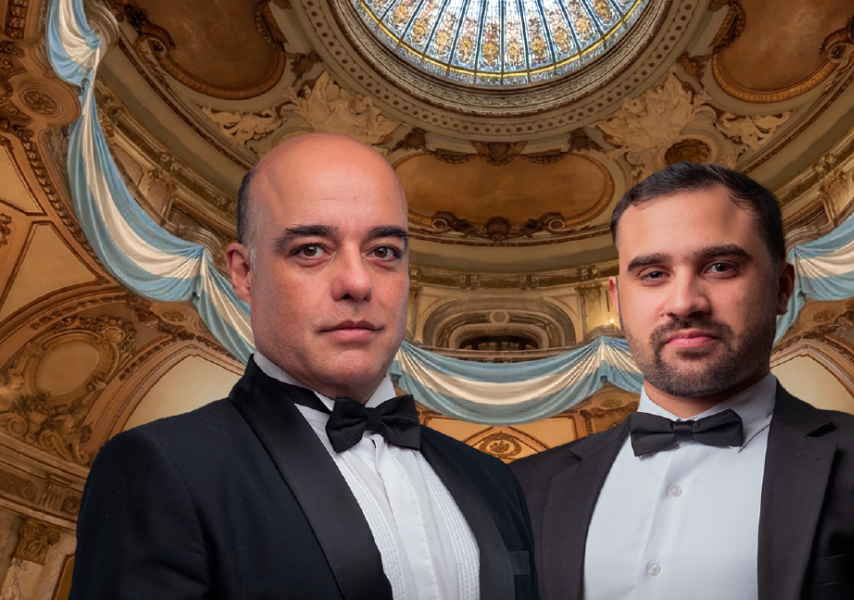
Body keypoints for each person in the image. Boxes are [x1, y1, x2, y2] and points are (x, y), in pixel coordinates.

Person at [70, 133, 539, 600]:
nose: (357, 282)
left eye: (383, 251)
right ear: (244, 273)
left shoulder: (493, 480)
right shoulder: (161, 468)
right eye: (311, 249)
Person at [510, 161, 854, 600]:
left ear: (782, 287)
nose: (685, 302)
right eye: (654, 273)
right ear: (617, 301)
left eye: (720, 267)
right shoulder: (525, 489)